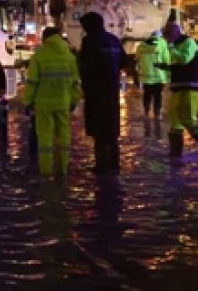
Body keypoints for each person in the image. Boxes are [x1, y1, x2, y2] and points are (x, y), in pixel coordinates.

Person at [21, 27, 81, 179]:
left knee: (45, 139)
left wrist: (27, 101)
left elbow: (32, 82)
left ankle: (46, 172)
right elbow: (75, 83)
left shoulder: (39, 56)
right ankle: (63, 170)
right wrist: (74, 101)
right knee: (64, 137)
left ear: (45, 38)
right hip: (63, 103)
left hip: (43, 105)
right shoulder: (69, 57)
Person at [160, 21, 198, 163]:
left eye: (167, 34)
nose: (166, 37)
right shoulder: (177, 45)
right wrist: (166, 67)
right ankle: (175, 153)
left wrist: (170, 46)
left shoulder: (188, 42)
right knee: (175, 121)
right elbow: (181, 65)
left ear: (175, 32)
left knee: (188, 119)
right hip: (177, 86)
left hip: (189, 86)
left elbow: (183, 59)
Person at [77, 12, 124, 174]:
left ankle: (102, 166)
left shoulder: (90, 41)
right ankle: (115, 164)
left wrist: (85, 89)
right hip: (112, 90)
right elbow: (124, 62)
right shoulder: (114, 40)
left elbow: (86, 68)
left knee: (99, 131)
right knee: (111, 130)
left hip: (96, 92)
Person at [135, 30, 169, 119]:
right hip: (159, 75)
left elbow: (137, 59)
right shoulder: (162, 43)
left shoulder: (141, 45)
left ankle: (146, 112)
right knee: (158, 95)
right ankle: (157, 114)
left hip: (145, 75)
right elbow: (166, 59)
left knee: (147, 94)